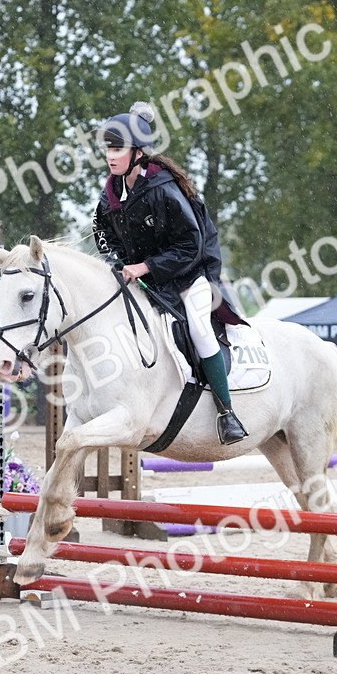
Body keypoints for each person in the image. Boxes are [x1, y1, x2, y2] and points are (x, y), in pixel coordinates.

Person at [91, 101, 248, 445]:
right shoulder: (112, 193)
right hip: (148, 279)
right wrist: (116, 260)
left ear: (137, 153)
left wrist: (144, 266)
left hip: (192, 274)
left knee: (200, 329)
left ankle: (227, 412)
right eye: (107, 148)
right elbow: (101, 232)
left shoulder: (163, 189)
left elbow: (190, 246)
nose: (110, 155)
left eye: (117, 148)